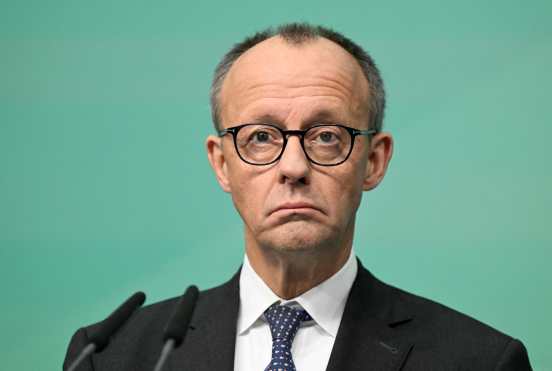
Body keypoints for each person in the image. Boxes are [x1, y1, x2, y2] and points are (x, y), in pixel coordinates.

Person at [64, 23, 533, 371]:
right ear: (222, 163)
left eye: (327, 136)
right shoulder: (114, 355)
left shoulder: (479, 360)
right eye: (261, 137)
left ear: (373, 160)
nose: (293, 167)